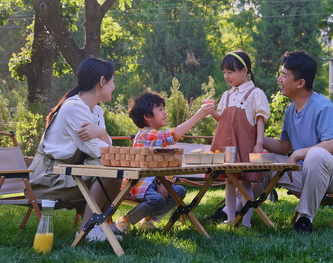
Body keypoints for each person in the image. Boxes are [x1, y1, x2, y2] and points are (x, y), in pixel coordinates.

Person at [262, 50, 333, 234]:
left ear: (300, 83)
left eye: (283, 75)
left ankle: (304, 219)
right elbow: (284, 147)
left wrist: (298, 154)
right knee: (266, 160)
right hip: (309, 174)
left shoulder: (323, 106)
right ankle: (241, 207)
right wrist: (257, 138)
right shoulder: (291, 110)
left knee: (316, 154)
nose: (279, 80)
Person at [29, 57, 122, 241]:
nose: (114, 86)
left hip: (69, 174)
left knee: (115, 169)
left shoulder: (96, 111)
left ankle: (98, 224)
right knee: (110, 168)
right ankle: (87, 231)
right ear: (102, 81)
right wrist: (104, 139)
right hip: (49, 179)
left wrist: (102, 133)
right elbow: (98, 150)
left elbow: (105, 147)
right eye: (112, 81)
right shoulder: (73, 108)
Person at [114, 92, 214, 233]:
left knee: (179, 191)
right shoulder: (146, 135)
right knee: (157, 200)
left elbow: (164, 164)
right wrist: (199, 115)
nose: (165, 113)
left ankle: (147, 221)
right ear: (147, 116)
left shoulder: (157, 137)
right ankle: (125, 220)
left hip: (155, 184)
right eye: (160, 110)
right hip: (140, 185)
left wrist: (163, 184)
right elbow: (174, 134)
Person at [207, 50, 270, 227]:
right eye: (225, 72)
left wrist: (259, 143)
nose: (227, 76)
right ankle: (230, 218)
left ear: (244, 71)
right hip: (227, 145)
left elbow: (260, 120)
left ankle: (247, 221)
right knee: (229, 180)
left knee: (245, 181)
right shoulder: (227, 95)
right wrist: (212, 113)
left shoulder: (255, 93)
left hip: (246, 144)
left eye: (231, 72)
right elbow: (223, 121)